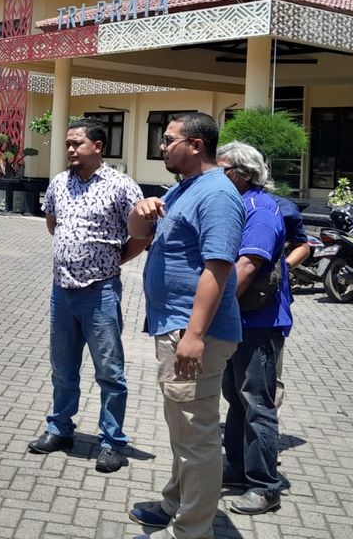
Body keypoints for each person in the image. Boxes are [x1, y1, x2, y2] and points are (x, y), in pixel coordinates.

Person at [125, 112, 245, 539]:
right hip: (175, 326)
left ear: (196, 145)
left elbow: (218, 268)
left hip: (195, 334)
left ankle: (193, 530)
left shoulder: (217, 195)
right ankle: (174, 502)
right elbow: (140, 233)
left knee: (196, 437)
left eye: (169, 139)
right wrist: (140, 212)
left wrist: (194, 335)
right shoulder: (183, 190)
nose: (161, 145)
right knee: (184, 428)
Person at [26, 118, 145, 474]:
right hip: (61, 293)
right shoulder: (59, 183)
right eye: (68, 144)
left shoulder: (121, 186)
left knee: (109, 371)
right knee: (62, 368)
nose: (71, 150)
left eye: (78, 143)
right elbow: (53, 222)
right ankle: (60, 428)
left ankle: (112, 442)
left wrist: (114, 259)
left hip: (100, 293)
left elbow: (143, 233)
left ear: (98, 147)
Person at [216, 141, 290, 515]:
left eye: (223, 170)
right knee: (235, 396)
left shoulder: (260, 211)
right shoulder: (240, 204)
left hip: (258, 322)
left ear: (243, 175)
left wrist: (216, 308)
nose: (217, 176)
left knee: (256, 402)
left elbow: (247, 266)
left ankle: (265, 486)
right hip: (240, 318)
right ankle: (237, 466)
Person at [271, 193, 309, 411]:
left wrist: (281, 267)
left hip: (270, 303)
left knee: (268, 373)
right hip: (231, 300)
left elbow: (303, 246)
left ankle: (266, 424)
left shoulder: (283, 208)